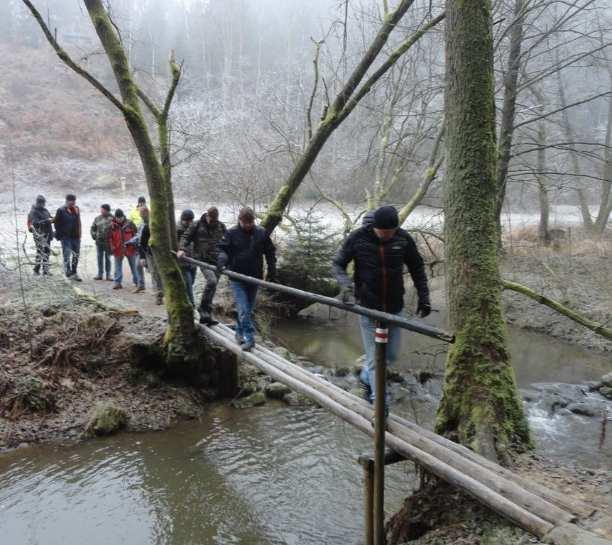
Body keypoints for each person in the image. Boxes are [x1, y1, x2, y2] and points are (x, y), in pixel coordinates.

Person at [332, 205, 431, 411]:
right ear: (374, 227)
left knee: (391, 356)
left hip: (394, 307)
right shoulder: (358, 238)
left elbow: (417, 267)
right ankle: (379, 404)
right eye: (382, 233)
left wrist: (424, 297)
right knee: (377, 358)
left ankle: (367, 377)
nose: (386, 236)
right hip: (368, 309)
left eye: (390, 233)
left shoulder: (403, 239)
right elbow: (337, 264)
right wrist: (346, 287)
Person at [217, 207, 276, 351]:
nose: (248, 225)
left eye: (250, 222)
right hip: (237, 277)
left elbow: (270, 252)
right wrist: (221, 262)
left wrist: (272, 271)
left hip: (255, 277)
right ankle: (250, 339)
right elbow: (223, 250)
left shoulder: (261, 233)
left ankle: (238, 332)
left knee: (247, 310)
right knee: (243, 309)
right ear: (240, 220)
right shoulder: (231, 233)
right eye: (245, 223)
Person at [177, 206, 227, 324]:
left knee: (213, 287)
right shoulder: (197, 224)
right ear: (207, 215)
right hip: (202, 259)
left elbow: (227, 242)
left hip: (217, 261)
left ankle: (206, 314)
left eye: (215, 220)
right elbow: (185, 237)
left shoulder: (221, 226)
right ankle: (202, 309)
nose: (212, 222)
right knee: (212, 281)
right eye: (211, 220)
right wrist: (182, 249)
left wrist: (227, 257)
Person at [137, 207, 164, 304]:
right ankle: (159, 296)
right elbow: (142, 243)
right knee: (155, 274)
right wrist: (142, 257)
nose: (141, 217)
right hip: (151, 254)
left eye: (141, 215)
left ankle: (160, 294)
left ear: (146, 213)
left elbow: (142, 243)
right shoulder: (145, 225)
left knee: (157, 274)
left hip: (158, 254)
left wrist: (142, 257)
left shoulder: (154, 224)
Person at [108, 209, 139, 290]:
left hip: (130, 248)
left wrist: (136, 247)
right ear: (115, 217)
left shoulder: (130, 224)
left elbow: (136, 235)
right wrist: (112, 246)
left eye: (121, 217)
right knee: (117, 267)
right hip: (117, 249)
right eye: (118, 218)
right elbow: (109, 237)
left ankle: (137, 282)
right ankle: (117, 283)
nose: (119, 219)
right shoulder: (111, 225)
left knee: (134, 266)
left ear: (123, 216)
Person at [54, 193, 82, 281]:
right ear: (67, 201)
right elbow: (56, 224)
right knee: (67, 255)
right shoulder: (61, 210)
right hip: (66, 238)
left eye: (74, 201)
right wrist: (61, 235)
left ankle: (74, 272)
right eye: (71, 201)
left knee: (76, 255)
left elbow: (79, 222)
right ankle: (68, 273)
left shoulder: (77, 209)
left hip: (76, 237)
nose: (73, 203)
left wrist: (80, 234)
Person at [27, 195, 54, 276]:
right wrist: (47, 221)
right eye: (41, 203)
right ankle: (36, 270)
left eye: (44, 203)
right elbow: (35, 223)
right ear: (38, 203)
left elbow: (50, 218)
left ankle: (45, 270)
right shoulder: (33, 212)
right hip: (39, 235)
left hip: (47, 234)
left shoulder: (45, 210)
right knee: (40, 252)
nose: (43, 204)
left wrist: (54, 219)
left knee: (47, 252)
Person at [175, 209, 197, 306]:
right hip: (182, 262)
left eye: (191, 220)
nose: (190, 222)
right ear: (183, 219)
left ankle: (183, 301)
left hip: (193, 261)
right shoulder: (176, 230)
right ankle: (191, 306)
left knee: (191, 283)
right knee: (188, 285)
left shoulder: (193, 227)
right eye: (188, 220)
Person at [90, 204, 113, 281]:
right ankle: (100, 274)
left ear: (107, 210)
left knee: (108, 258)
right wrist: (94, 236)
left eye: (103, 210)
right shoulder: (97, 218)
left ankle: (108, 275)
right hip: (99, 242)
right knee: (99, 257)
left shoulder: (113, 218)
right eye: (101, 210)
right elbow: (93, 228)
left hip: (108, 242)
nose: (101, 211)